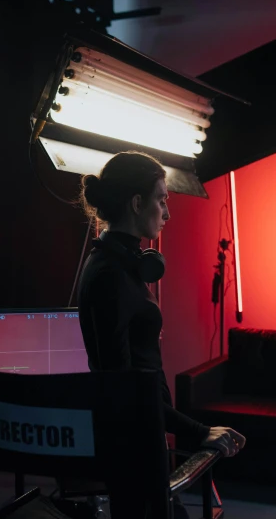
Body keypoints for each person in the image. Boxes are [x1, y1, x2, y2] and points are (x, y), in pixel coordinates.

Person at [77, 151, 246, 518]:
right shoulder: (111, 275)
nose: (167, 212)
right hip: (133, 446)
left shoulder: (121, 263)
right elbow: (124, 389)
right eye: (161, 199)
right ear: (137, 203)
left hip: (146, 434)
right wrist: (200, 431)